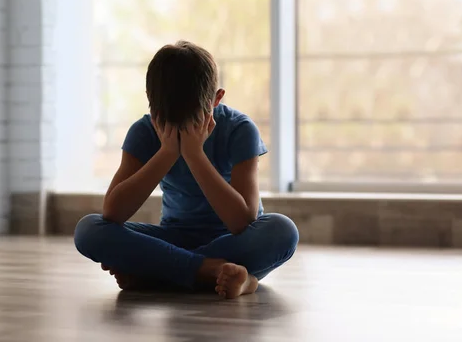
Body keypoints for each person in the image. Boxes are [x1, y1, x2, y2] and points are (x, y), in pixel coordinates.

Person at [74, 41, 299, 298]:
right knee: (89, 230)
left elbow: (242, 221)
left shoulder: (240, 129)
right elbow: (112, 212)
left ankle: (159, 273)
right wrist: (167, 152)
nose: (180, 130)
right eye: (168, 121)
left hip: (233, 242)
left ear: (216, 99)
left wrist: (194, 154)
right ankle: (220, 273)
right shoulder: (144, 131)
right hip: (174, 237)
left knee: (282, 231)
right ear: (151, 103)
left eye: (194, 120)